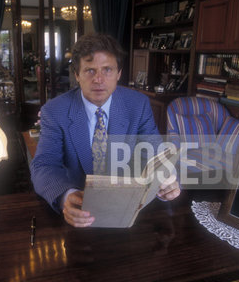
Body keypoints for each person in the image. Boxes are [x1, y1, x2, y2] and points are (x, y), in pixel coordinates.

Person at [30, 33, 180, 227]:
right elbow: (44, 164)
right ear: (77, 75)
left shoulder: (137, 104)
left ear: (118, 73)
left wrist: (168, 182)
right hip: (79, 213)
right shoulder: (55, 110)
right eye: (90, 71)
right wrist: (65, 196)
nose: (99, 79)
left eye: (107, 70)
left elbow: (156, 155)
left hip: (129, 210)